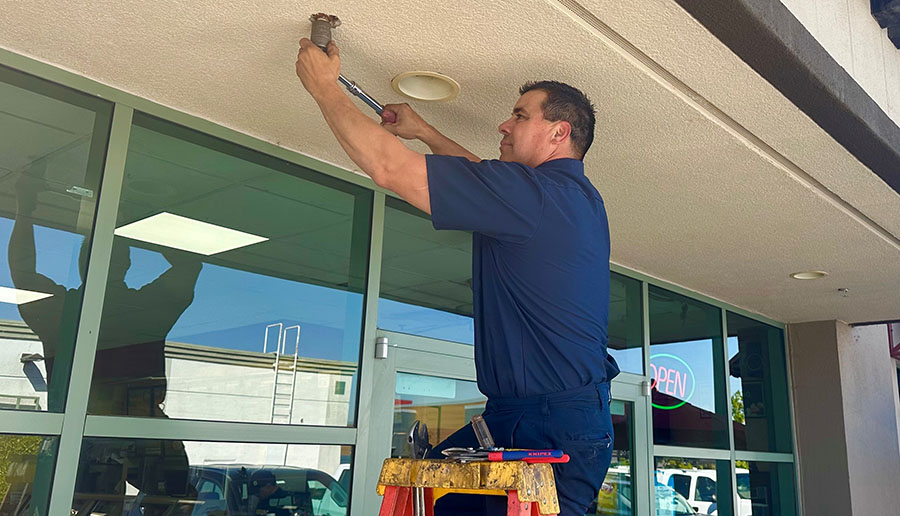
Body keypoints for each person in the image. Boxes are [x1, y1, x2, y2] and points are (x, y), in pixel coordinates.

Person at [295, 38, 618, 515]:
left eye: (520, 116)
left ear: (558, 132)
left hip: (552, 425)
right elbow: (480, 177)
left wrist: (324, 88)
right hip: (532, 415)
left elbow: (390, 168)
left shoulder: (537, 197)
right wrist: (424, 131)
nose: (503, 125)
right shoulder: (566, 198)